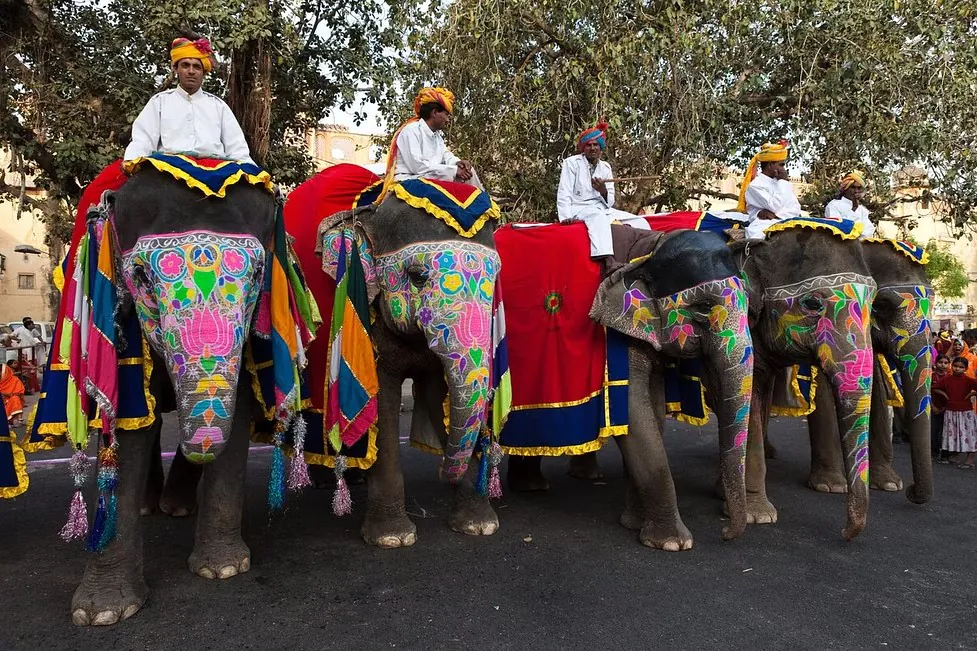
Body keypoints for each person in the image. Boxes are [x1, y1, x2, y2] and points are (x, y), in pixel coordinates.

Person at [124, 37, 253, 164]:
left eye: (196, 67)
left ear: (204, 72)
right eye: (185, 65)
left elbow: (237, 149)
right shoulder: (159, 102)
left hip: (214, 170)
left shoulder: (218, 106)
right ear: (176, 69)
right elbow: (143, 140)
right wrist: (131, 161)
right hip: (168, 169)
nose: (191, 71)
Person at [556, 120, 651, 263]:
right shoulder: (571, 163)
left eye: (595, 145)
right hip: (579, 208)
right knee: (597, 217)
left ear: (601, 148)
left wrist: (603, 191)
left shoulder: (605, 167)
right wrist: (565, 217)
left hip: (601, 209)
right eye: (589, 145)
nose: (592, 148)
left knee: (639, 221)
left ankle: (645, 256)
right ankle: (608, 260)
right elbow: (564, 191)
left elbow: (610, 202)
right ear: (583, 148)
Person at [382, 87, 480, 190]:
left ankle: (486, 204)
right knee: (453, 176)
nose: (447, 120)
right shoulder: (411, 130)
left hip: (428, 177)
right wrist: (454, 170)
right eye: (446, 115)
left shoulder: (437, 136)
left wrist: (457, 163)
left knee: (469, 172)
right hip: (409, 179)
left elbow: (446, 156)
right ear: (434, 113)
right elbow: (418, 167)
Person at [738, 141, 803, 239]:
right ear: (770, 165)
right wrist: (783, 182)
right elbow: (775, 206)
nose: (784, 169)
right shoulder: (755, 186)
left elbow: (796, 207)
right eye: (781, 165)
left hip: (788, 221)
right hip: (764, 225)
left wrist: (777, 215)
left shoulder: (782, 183)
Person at [933, 356, 977, 468]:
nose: (957, 369)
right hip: (951, 411)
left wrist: (972, 394)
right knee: (953, 434)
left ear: (966, 368)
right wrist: (945, 395)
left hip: (965, 411)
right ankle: (954, 455)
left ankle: (970, 459)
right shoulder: (947, 379)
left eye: (961, 367)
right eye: (956, 366)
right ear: (952, 366)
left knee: (968, 434)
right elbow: (934, 387)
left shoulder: (968, 380)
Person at [824, 170, 876, 238]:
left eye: (859, 188)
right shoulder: (834, 205)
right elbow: (838, 229)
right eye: (853, 187)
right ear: (845, 188)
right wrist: (854, 208)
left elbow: (869, 231)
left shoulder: (862, 210)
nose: (856, 191)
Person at [932, 354, 951, 462]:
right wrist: (932, 406)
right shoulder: (931, 375)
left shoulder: (949, 378)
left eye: (945, 363)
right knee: (933, 431)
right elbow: (926, 392)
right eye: (940, 362)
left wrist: (945, 407)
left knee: (946, 432)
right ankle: (933, 453)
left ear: (949, 365)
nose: (942, 365)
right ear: (936, 363)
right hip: (933, 406)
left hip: (947, 408)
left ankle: (945, 454)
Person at [0, 362, 25, 427]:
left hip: (9, 399)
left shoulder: (15, 380)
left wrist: (6, 394)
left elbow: (19, 393)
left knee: (15, 398)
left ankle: (15, 420)